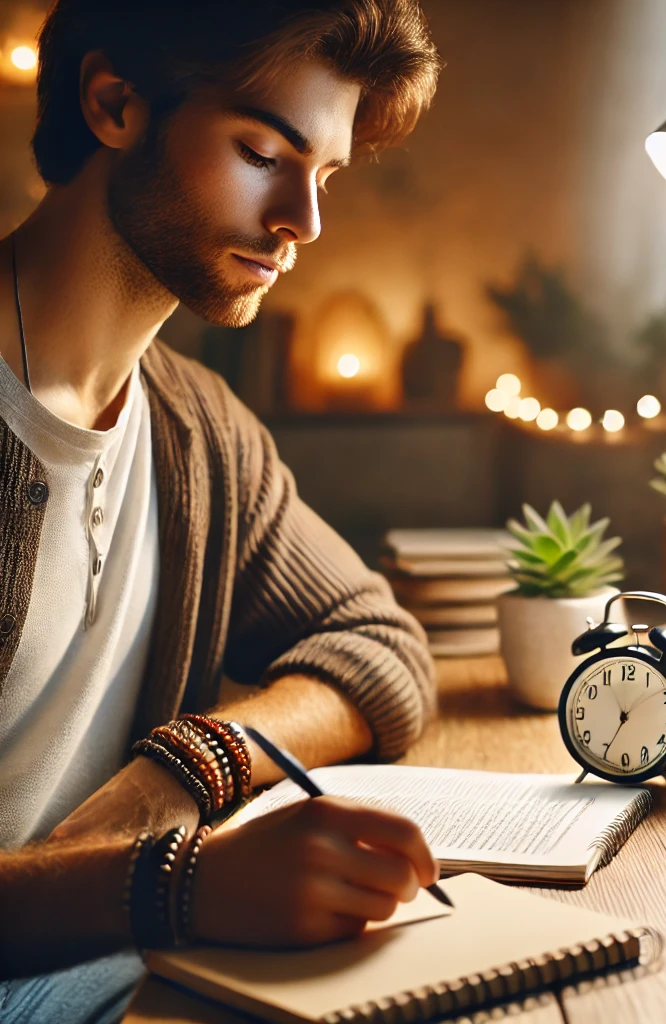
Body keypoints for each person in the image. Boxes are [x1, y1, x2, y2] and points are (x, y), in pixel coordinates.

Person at [0, 2, 443, 1020]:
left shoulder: (202, 432)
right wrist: (175, 882)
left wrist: (188, 765)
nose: (305, 222)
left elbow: (380, 644)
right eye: (261, 151)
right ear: (113, 103)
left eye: (323, 175)